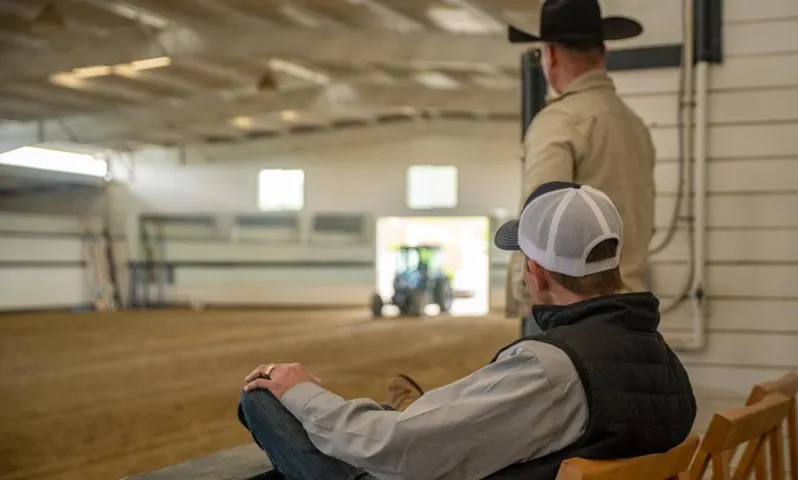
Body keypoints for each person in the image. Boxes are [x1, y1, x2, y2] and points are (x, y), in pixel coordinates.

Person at [237, 182, 696, 480]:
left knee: (263, 399)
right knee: (379, 418)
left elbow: (398, 448)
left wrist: (304, 394)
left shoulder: (551, 367)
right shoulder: (659, 357)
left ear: (536, 273)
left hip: (419, 463)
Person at [506, 0, 657, 335]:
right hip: (631, 310)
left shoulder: (559, 122)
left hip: (572, 314)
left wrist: (525, 290)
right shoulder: (634, 126)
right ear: (602, 52)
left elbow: (540, 224)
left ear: (551, 55)